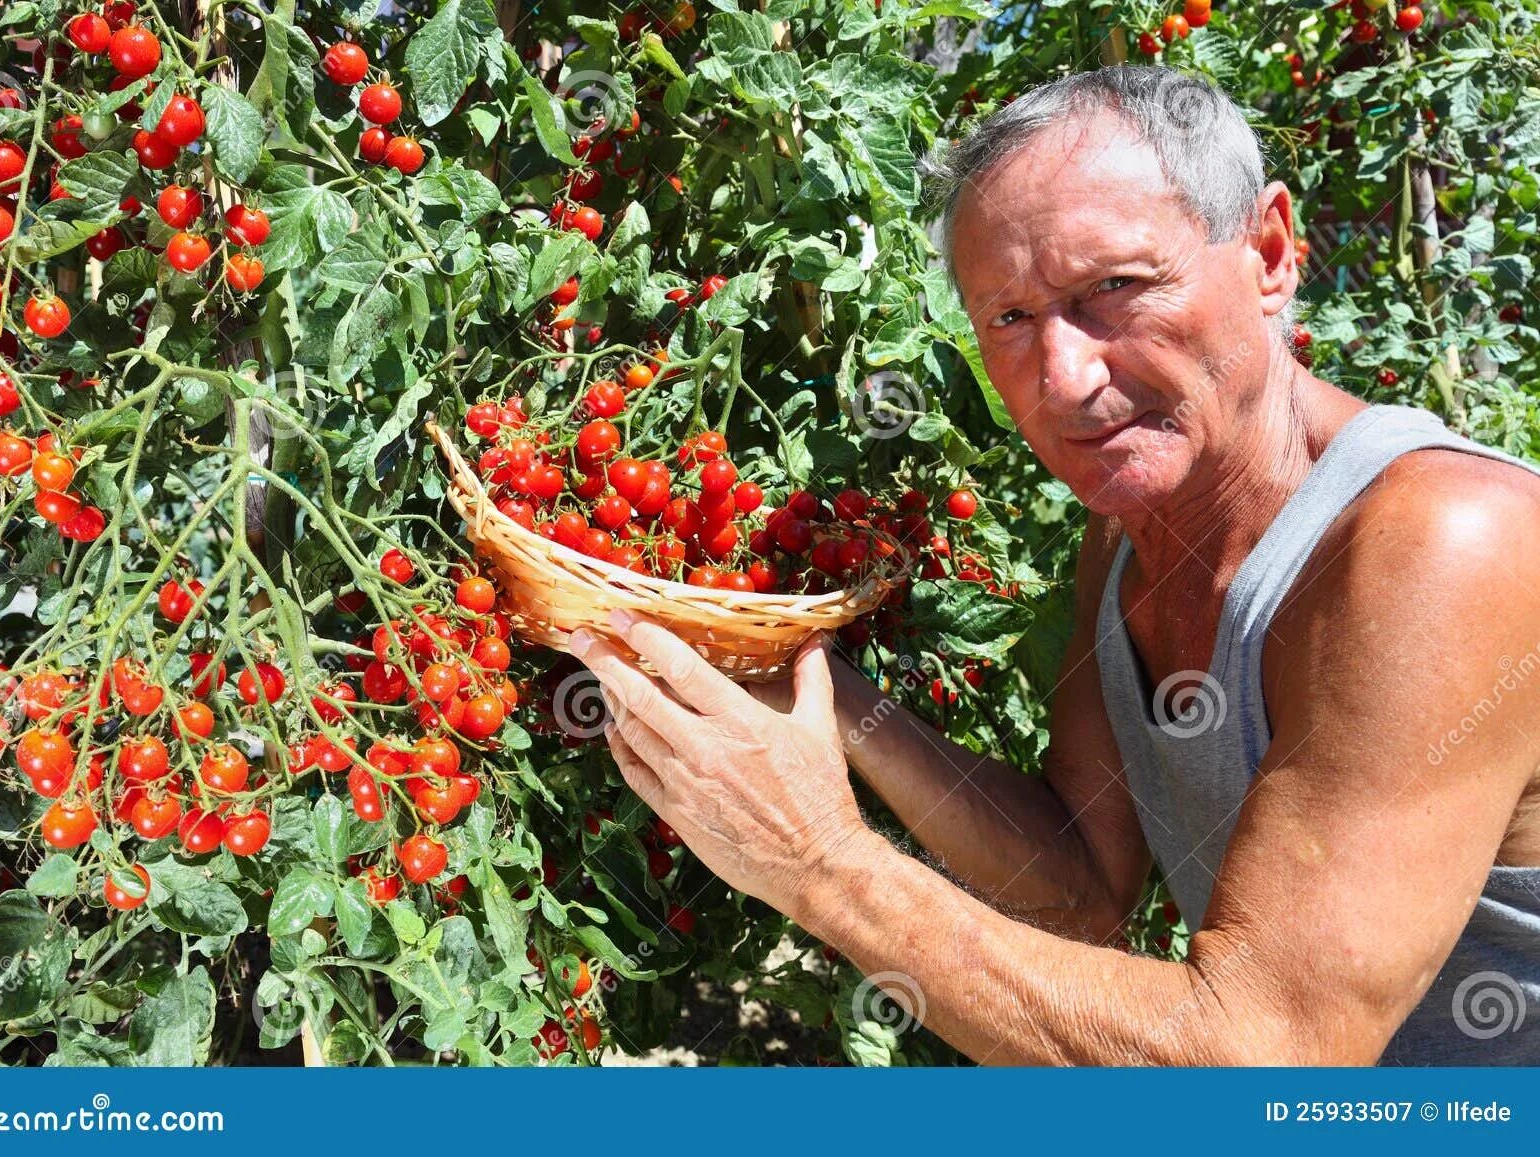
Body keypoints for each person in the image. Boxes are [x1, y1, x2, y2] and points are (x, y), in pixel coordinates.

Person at [568, 65, 1540, 1065]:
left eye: (1113, 288)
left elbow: (1266, 1055)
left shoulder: (1444, 541)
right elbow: (1079, 886)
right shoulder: (1127, 535)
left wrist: (819, 862)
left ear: (1269, 253)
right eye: (1011, 319)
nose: (1066, 378)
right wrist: (810, 672)